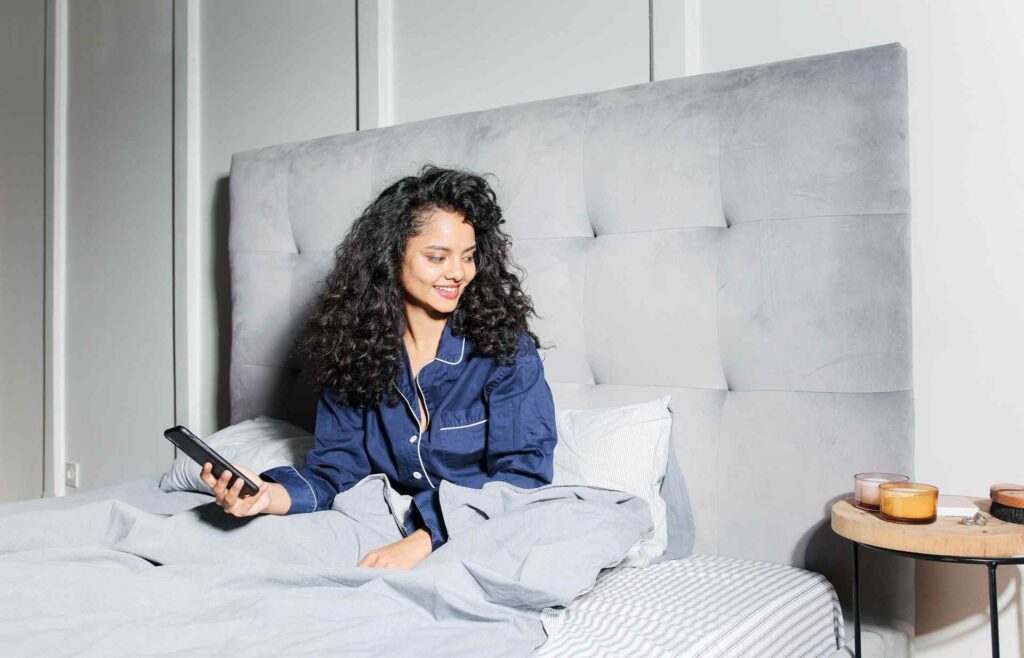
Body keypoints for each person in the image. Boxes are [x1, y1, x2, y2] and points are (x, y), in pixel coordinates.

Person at [200, 164, 557, 571]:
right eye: (437, 257)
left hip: (483, 529)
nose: (458, 273)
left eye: (469, 257)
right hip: (382, 525)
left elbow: (522, 478)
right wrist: (266, 495)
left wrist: (426, 539)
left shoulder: (507, 353)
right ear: (392, 257)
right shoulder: (355, 353)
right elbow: (336, 471)